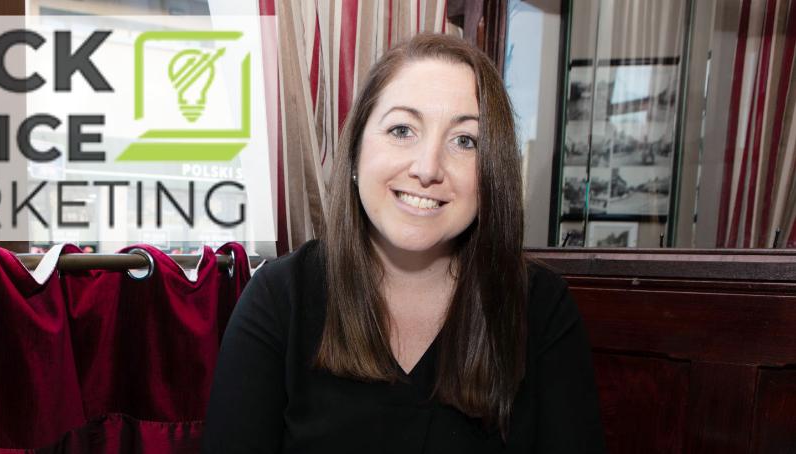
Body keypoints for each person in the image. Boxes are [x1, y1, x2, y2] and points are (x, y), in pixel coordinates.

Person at [202, 33, 605, 453]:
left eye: (465, 141)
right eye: (401, 130)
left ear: (492, 173)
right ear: (356, 150)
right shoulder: (279, 300)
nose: (428, 168)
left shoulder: (540, 308)